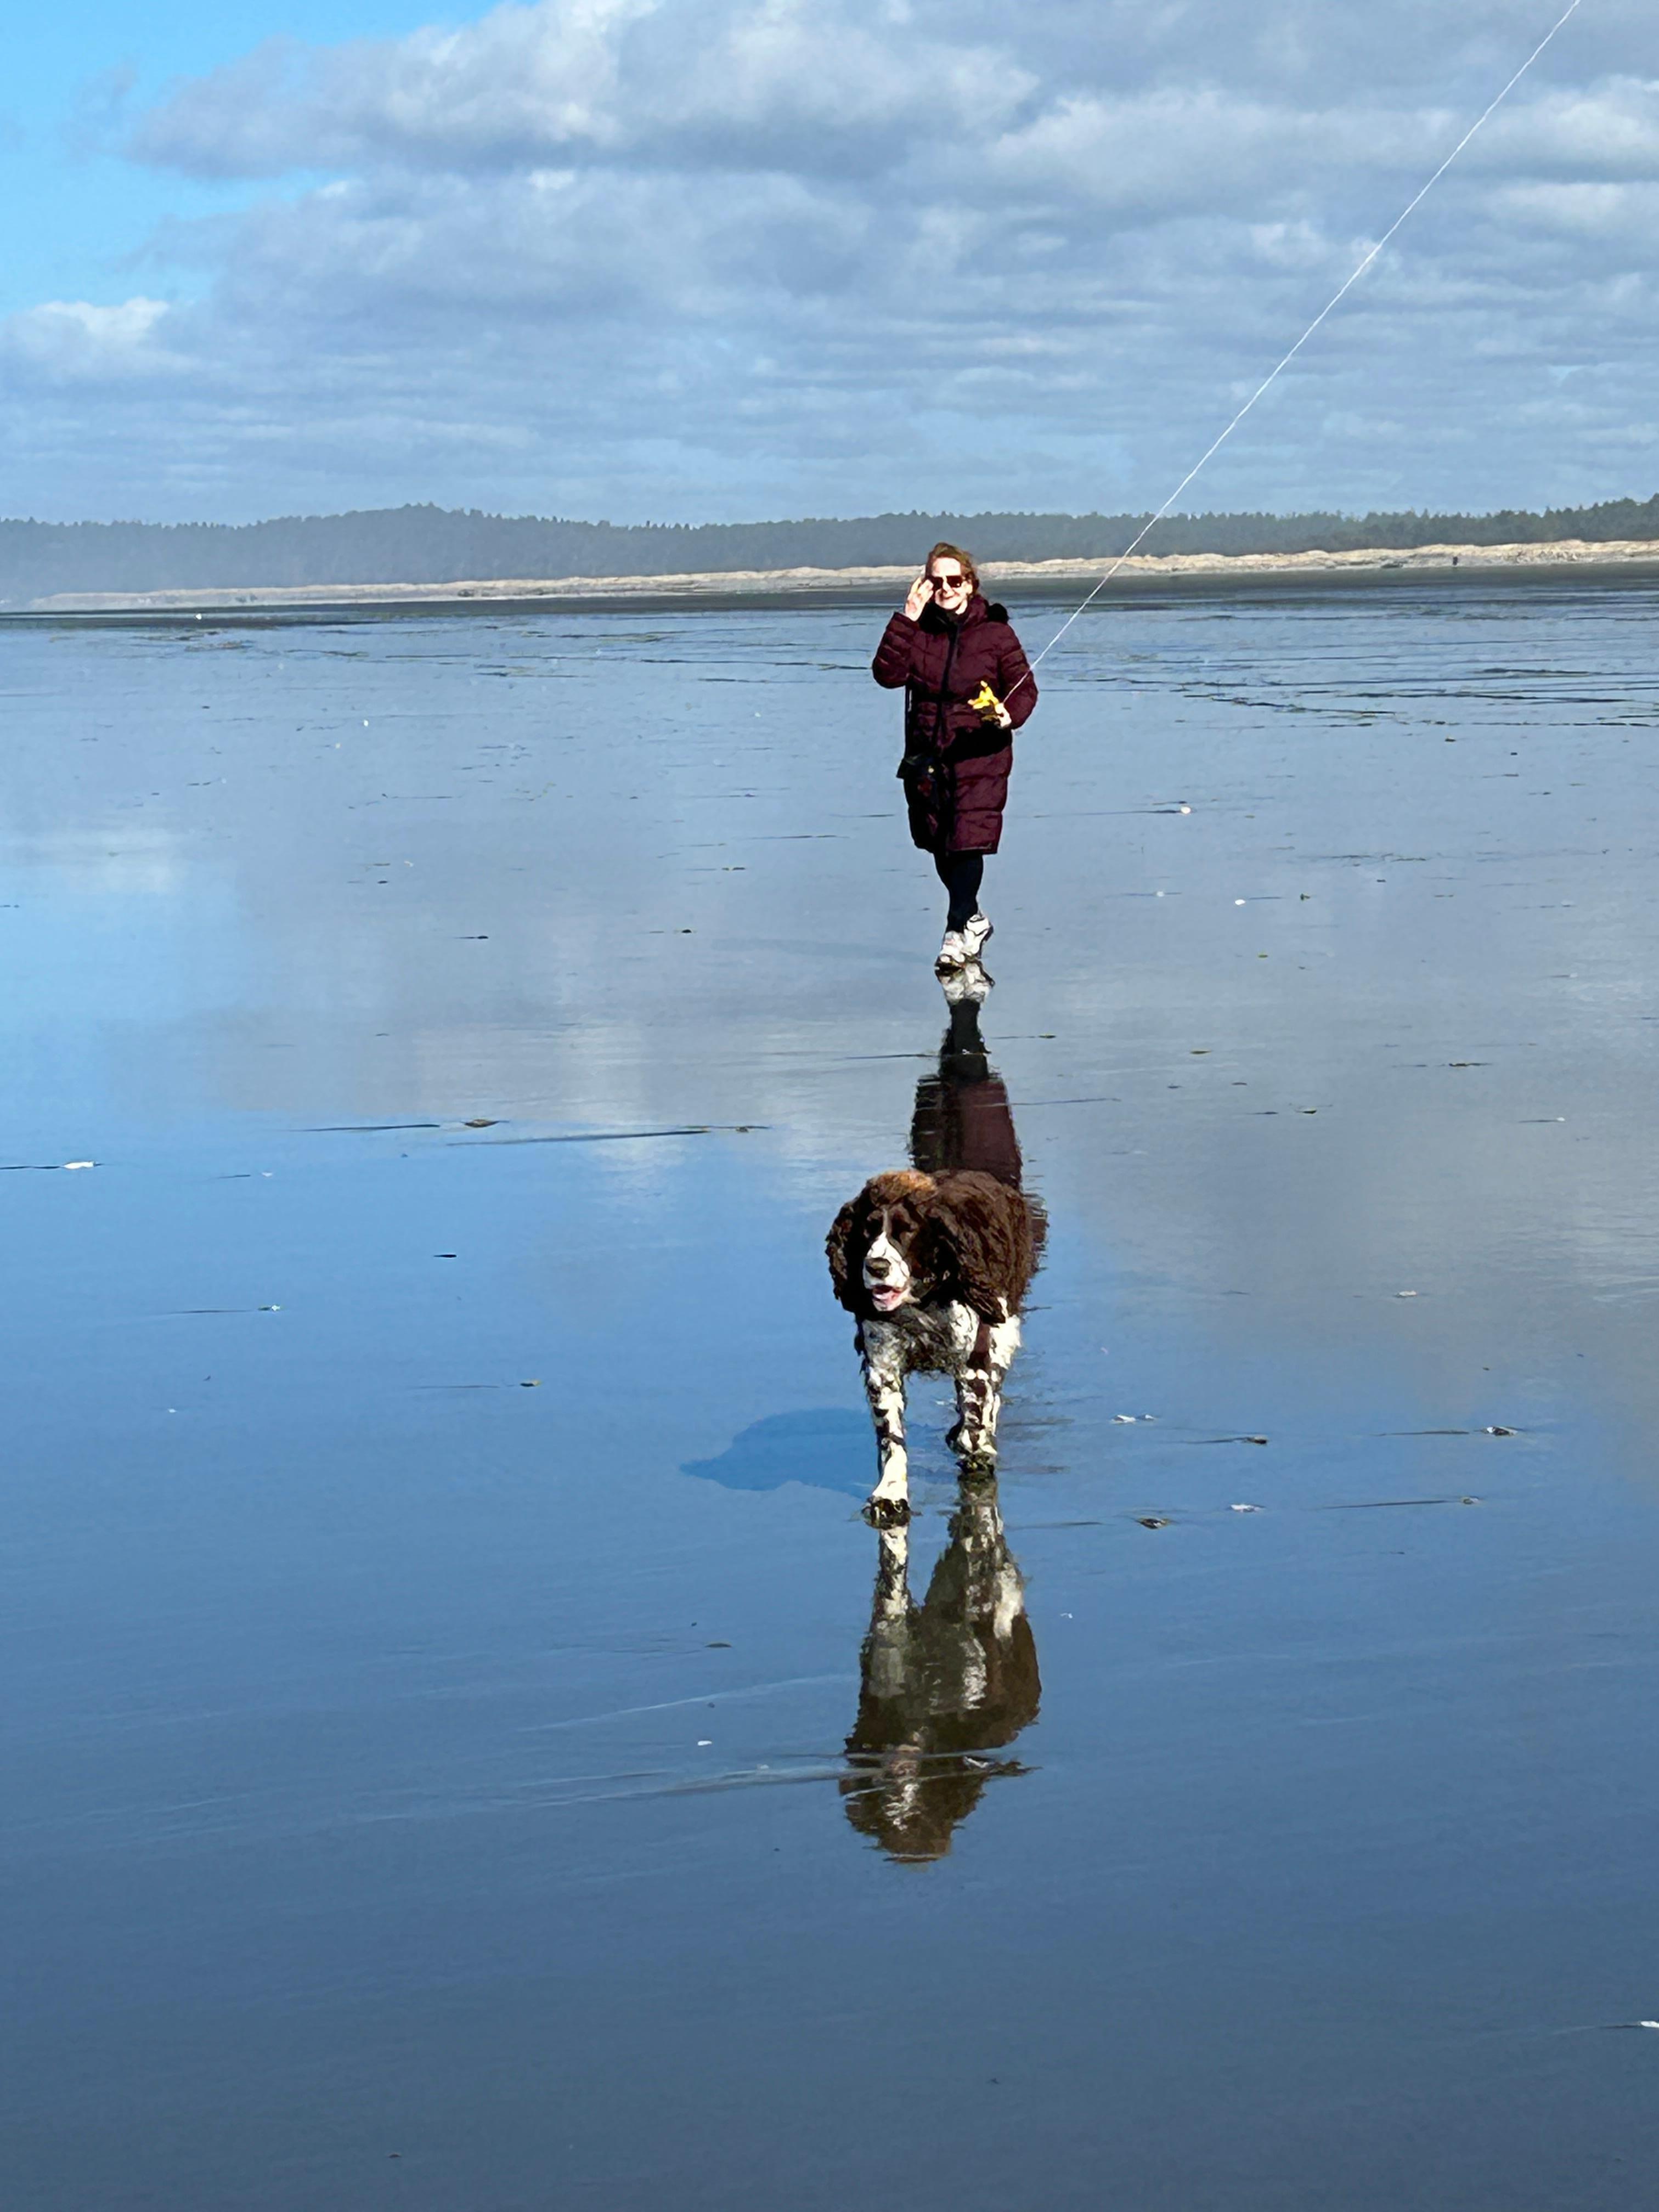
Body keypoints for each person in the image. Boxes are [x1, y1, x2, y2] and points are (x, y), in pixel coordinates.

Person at [871, 541, 1039, 970]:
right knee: (940, 843)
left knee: (968, 841)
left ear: (970, 583)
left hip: (979, 751)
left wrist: (1007, 715)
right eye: (936, 581)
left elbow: (1024, 688)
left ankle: (954, 929)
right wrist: (907, 617)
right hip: (928, 752)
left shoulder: (996, 633)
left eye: (954, 580)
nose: (945, 588)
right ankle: (974, 920)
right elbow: (887, 676)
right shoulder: (918, 629)